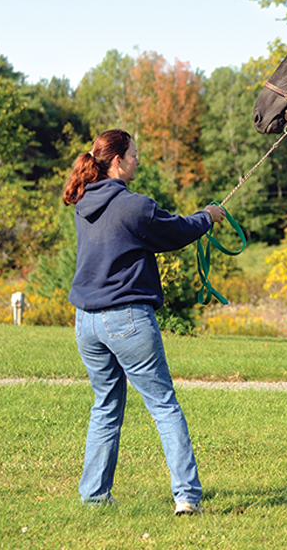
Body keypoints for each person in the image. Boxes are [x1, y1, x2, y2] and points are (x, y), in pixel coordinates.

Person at [62, 129, 225, 515]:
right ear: (117, 161)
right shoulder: (133, 206)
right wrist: (208, 217)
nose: (139, 160)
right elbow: (176, 231)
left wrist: (198, 219)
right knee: (164, 406)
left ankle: (94, 497)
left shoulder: (82, 202)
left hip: (86, 323)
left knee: (105, 407)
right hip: (126, 319)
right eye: (134, 154)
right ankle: (186, 497)